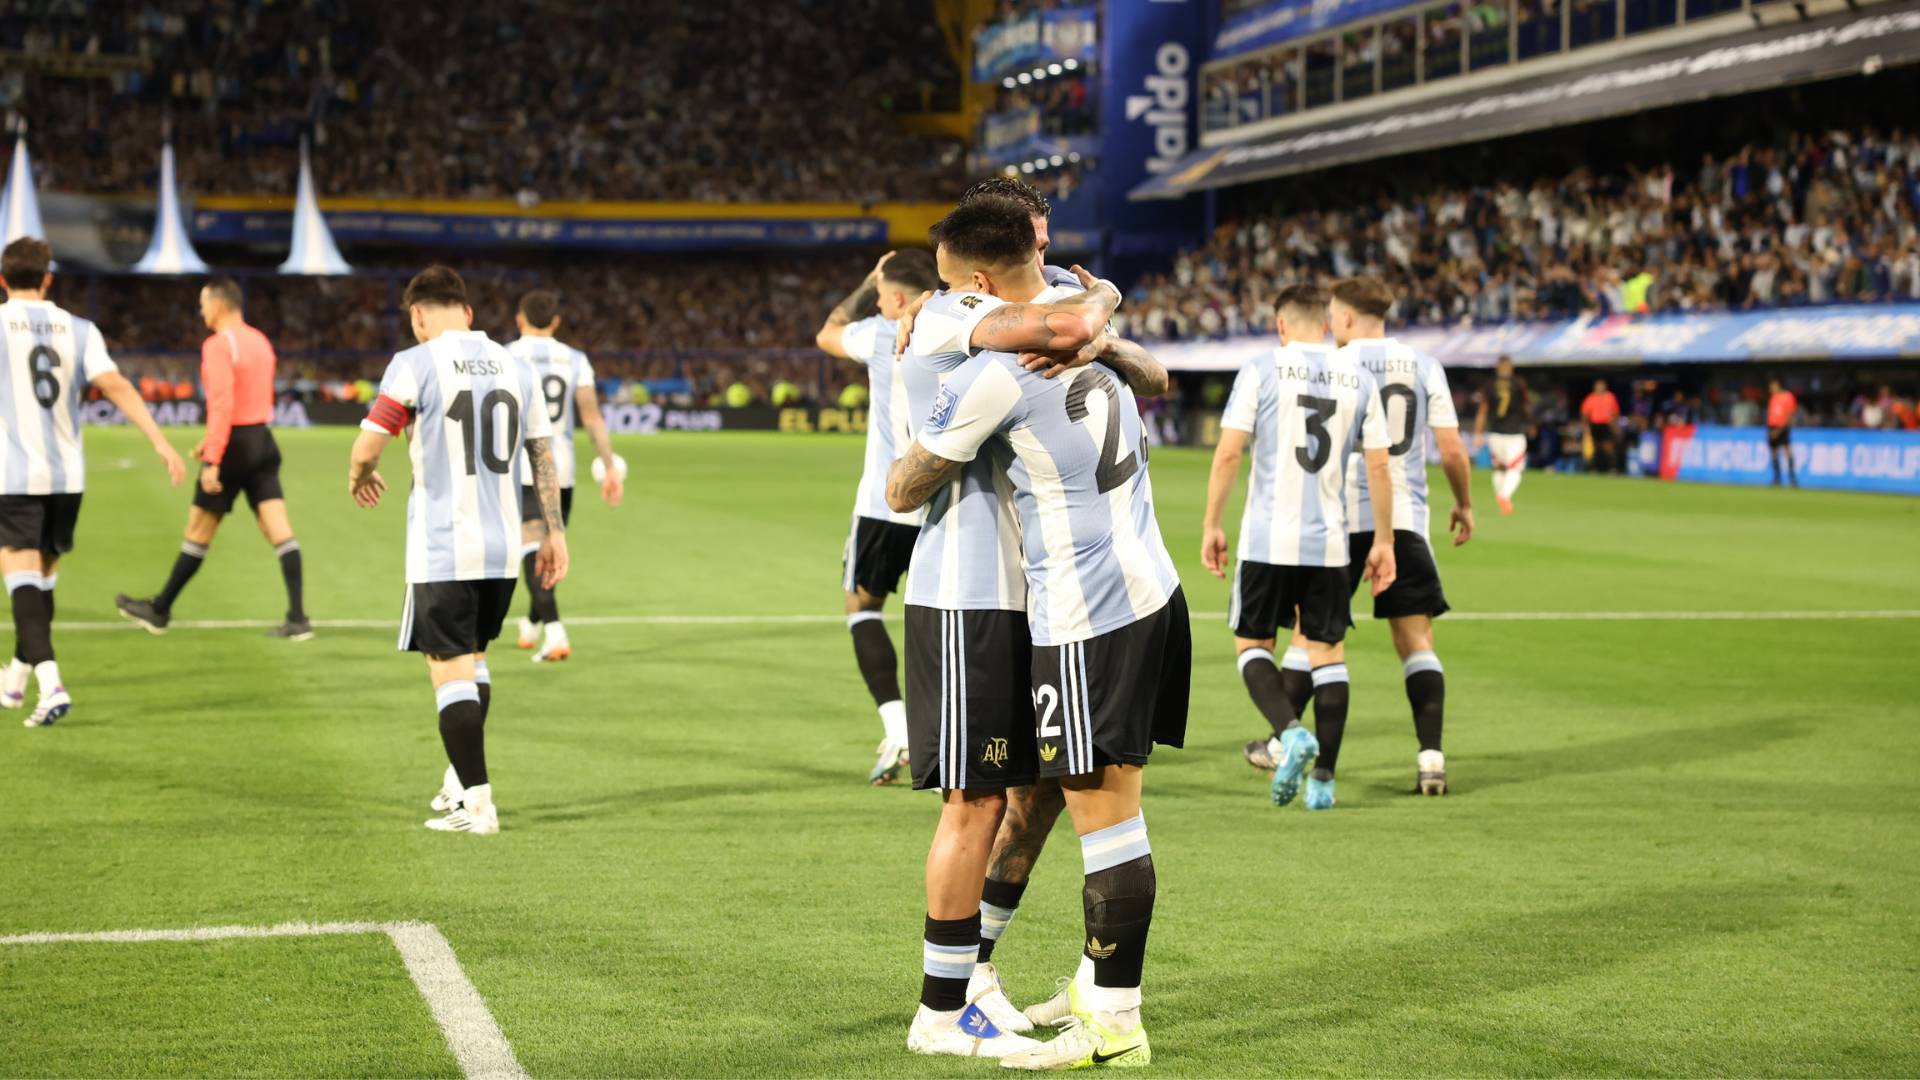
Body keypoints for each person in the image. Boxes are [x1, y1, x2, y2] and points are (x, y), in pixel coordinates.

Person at [890, 195, 1186, 1069]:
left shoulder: (1035, 331)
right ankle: (972, 996)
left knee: (1073, 802)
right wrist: (1104, 308)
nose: (1052, 243)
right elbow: (904, 490)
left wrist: (1097, 319)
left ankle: (1093, 1008)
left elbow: (1111, 348)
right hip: (1017, 588)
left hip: (1076, 600)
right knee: (998, 797)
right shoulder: (985, 319)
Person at [349, 266, 568, 835]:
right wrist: (554, 532)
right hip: (503, 549)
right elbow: (542, 455)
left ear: (417, 316)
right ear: (468, 313)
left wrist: (359, 474)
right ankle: (457, 779)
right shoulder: (516, 367)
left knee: (448, 672)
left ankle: (477, 805)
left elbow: (369, 444)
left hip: (444, 546)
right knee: (473, 661)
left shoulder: (415, 363)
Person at [1201, 281, 1395, 812]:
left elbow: (1229, 454)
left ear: (1281, 325)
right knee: (1328, 655)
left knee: (1252, 646)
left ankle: (1289, 732)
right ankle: (1324, 781)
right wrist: (1382, 539)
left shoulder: (1261, 369)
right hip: (1330, 543)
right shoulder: (1359, 378)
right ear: (1327, 325)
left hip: (1268, 539)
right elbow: (1379, 466)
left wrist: (1212, 524)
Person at [0, 238, 186, 725]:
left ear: (2, 279)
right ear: (47, 279)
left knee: (21, 581)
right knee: (41, 581)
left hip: (14, 475)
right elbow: (116, 385)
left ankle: (51, 686)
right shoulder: (79, 328)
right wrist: (160, 442)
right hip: (67, 477)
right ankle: (15, 680)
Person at [1329, 277, 1472, 797]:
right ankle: (1431, 759)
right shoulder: (1424, 364)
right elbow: (1451, 450)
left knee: (1316, 636)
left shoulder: (1333, 365)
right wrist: (1464, 503)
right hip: (1404, 519)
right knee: (1415, 642)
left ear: (1347, 317)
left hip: (1339, 518)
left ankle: (1290, 746)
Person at [115, 278, 309, 639]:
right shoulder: (260, 341)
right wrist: (212, 442)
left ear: (218, 305)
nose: (201, 311)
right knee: (279, 530)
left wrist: (213, 458)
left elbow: (222, 404)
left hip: (234, 446)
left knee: (198, 532)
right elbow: (251, 400)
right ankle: (298, 619)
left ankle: (159, 610)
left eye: (203, 305)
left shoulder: (219, 345)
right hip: (262, 440)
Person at [813, 248, 942, 785]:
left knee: (862, 608)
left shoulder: (883, 334)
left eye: (884, 295)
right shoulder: (964, 329)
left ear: (895, 296)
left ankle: (900, 732)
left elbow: (827, 333)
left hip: (884, 504)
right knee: (953, 618)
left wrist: (869, 280)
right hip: (948, 506)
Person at [506, 290, 622, 663]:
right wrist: (608, 465)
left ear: (519, 319)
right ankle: (530, 624)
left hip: (520, 465)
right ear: (556, 322)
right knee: (549, 546)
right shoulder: (575, 359)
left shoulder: (504, 356)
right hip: (562, 469)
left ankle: (555, 632)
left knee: (533, 547)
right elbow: (592, 416)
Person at [1474, 356, 1532, 515]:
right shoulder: (1519, 383)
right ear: (1511, 367)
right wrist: (1531, 422)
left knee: (1499, 468)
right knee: (1515, 468)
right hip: (1514, 432)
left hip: (1495, 432)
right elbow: (1525, 406)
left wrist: (1478, 433)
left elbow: (1483, 410)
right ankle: (1504, 496)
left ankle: (1501, 497)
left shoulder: (1490, 384)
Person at [1580, 379, 1622, 474]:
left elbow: (1616, 412)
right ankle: (1595, 468)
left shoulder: (1610, 397)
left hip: (1606, 424)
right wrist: (1586, 426)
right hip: (1595, 424)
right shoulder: (1591, 398)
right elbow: (1585, 413)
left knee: (1608, 446)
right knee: (1596, 446)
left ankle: (1612, 468)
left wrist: (1615, 424)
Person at [1766, 378, 1798, 487]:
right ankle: (1777, 478)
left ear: (1779, 385)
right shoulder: (1773, 398)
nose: (1771, 388)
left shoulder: (1788, 397)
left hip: (1783, 428)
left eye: (1773, 386)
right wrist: (1770, 430)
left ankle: (1792, 479)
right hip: (1772, 427)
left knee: (1787, 452)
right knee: (1774, 453)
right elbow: (1771, 415)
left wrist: (1778, 430)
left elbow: (1789, 416)